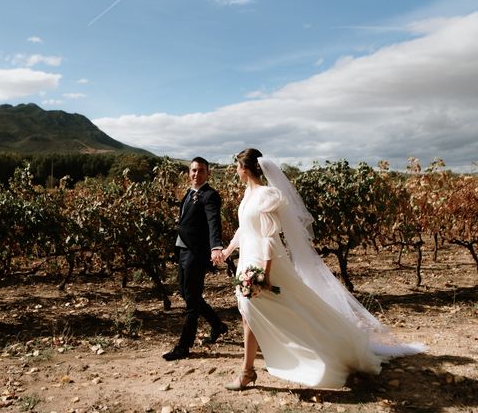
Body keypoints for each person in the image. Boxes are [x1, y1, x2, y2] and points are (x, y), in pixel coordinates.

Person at [217, 148, 425, 389]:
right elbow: (245, 229)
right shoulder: (248, 194)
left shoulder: (267, 195)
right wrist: (227, 251)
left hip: (264, 263)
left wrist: (264, 272)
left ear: (245, 168)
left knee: (287, 311)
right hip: (247, 260)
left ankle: (256, 369)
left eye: (236, 166)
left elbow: (269, 238)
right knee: (249, 315)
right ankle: (248, 370)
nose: (235, 171)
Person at [163, 157, 229, 361]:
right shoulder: (190, 193)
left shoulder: (210, 196)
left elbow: (213, 222)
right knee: (185, 293)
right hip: (183, 251)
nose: (196, 174)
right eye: (193, 170)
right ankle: (217, 325)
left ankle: (184, 346)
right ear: (188, 172)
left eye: (200, 170)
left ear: (208, 173)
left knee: (191, 301)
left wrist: (216, 246)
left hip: (196, 254)